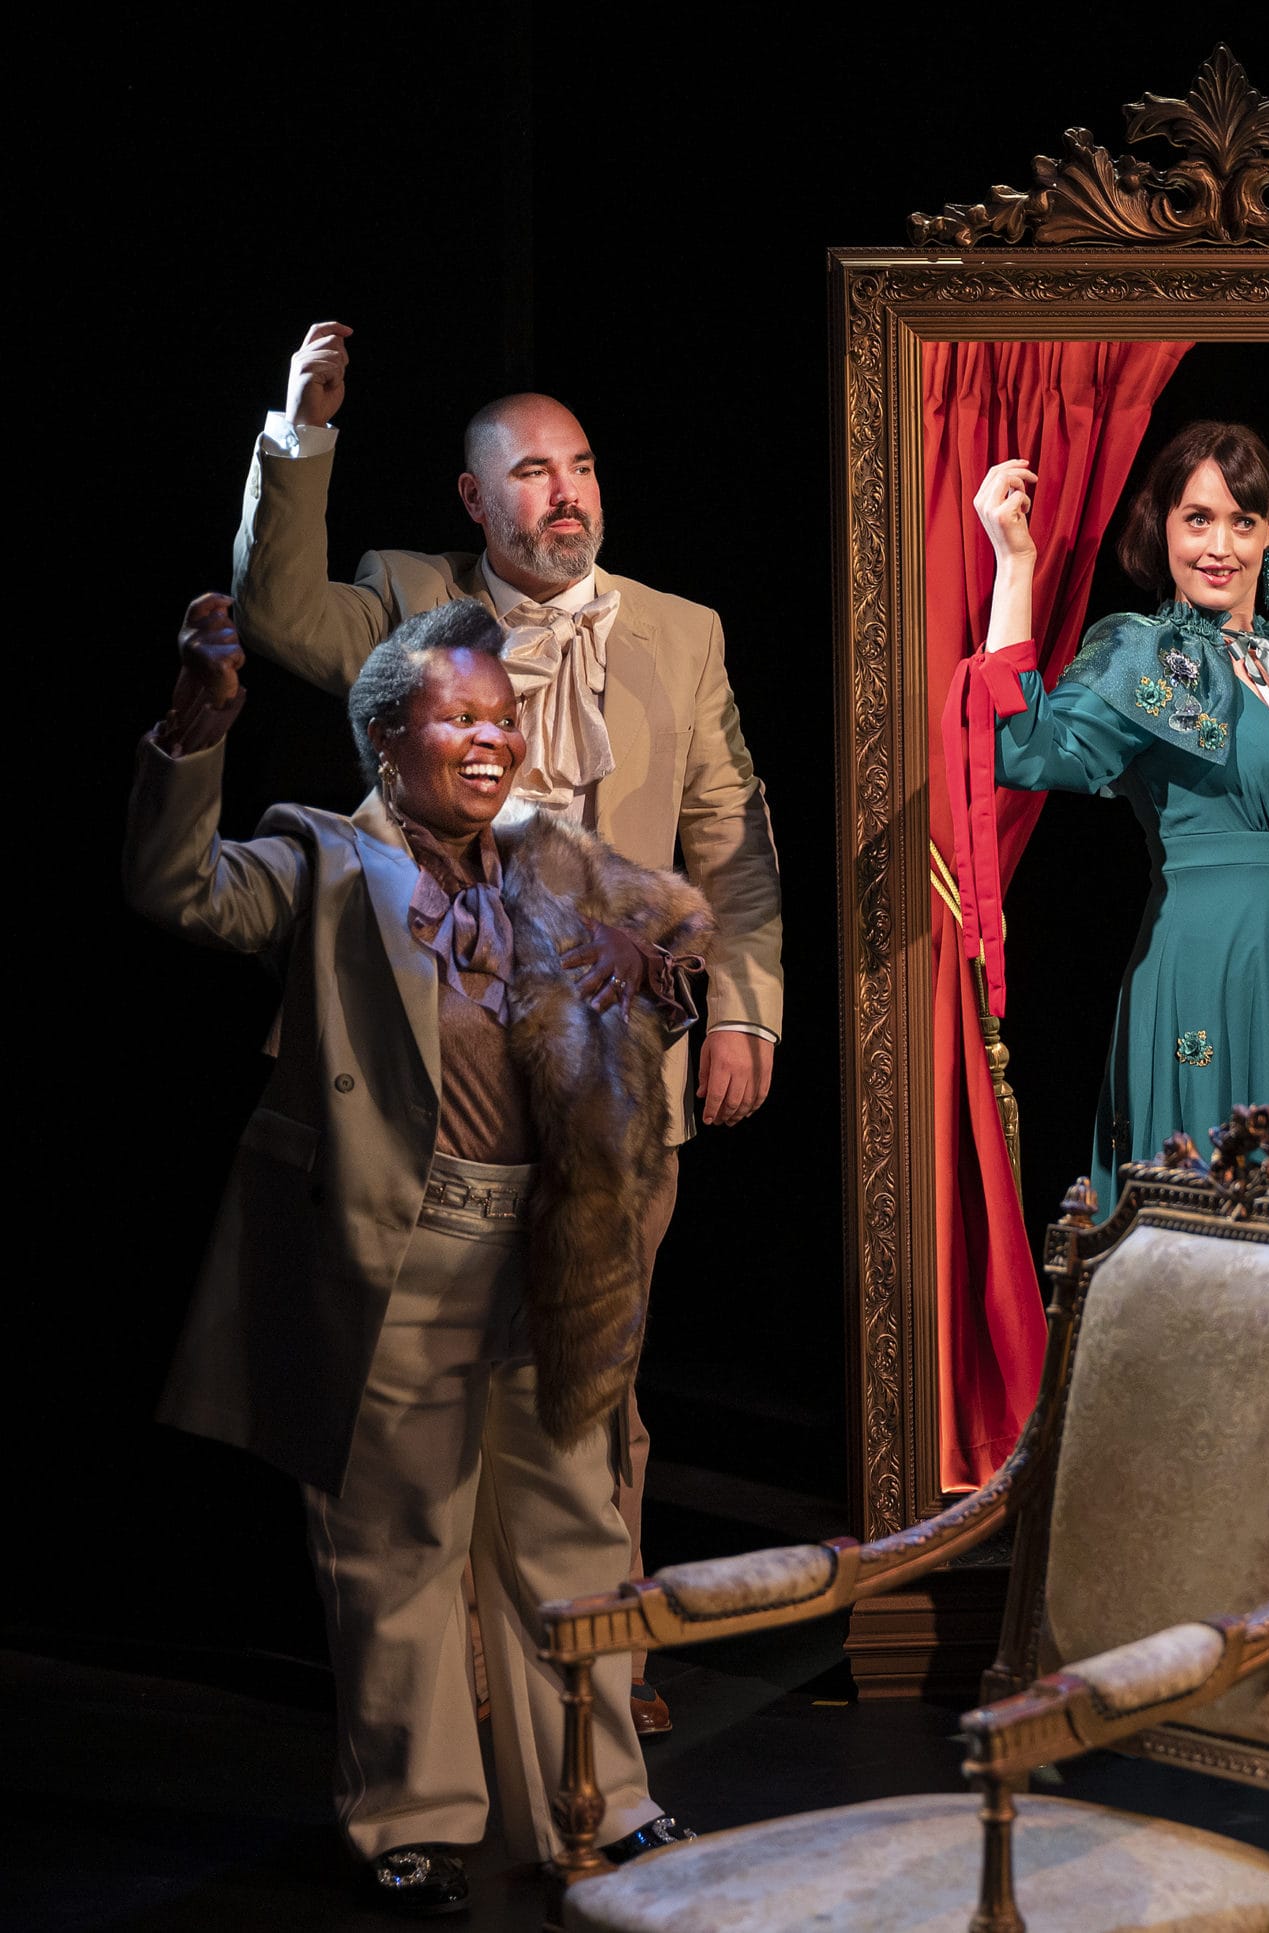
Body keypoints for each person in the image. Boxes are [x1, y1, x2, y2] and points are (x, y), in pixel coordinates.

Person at [231, 321, 786, 1731]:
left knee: (594, 1383)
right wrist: (301, 437)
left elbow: (731, 836)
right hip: (436, 1072)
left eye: (581, 467)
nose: (566, 494)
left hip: (612, 1078)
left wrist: (743, 1011)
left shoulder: (681, 630)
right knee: (413, 1400)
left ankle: (599, 1666)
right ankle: (455, 1683)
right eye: (531, 474)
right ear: (476, 500)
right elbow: (279, 612)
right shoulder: (412, 592)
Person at [130, 595, 705, 1912]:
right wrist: (191, 741)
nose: (493, 738)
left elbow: (652, 975)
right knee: (397, 1551)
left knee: (577, 1537)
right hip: (401, 1259)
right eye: (461, 716)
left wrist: (665, 997)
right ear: (390, 739)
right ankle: (416, 1819)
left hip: (548, 1259)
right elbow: (176, 888)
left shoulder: (550, 863)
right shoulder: (327, 859)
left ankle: (605, 1801)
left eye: (503, 717)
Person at [962, 421, 1269, 1718]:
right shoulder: (1137, 650)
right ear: (1161, 535)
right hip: (1205, 985)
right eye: (1193, 520)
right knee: (1201, 1290)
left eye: (1240, 518)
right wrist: (1012, 564)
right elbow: (1029, 751)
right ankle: (1166, 1647)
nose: (1216, 543)